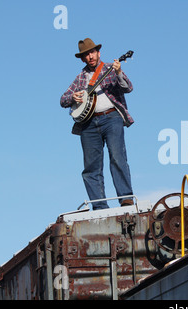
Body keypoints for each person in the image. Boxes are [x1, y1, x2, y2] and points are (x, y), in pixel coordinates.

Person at [60, 38, 135, 210]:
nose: (90, 56)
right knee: (91, 166)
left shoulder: (110, 68)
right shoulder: (80, 78)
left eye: (92, 52)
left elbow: (128, 87)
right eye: (86, 54)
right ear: (83, 58)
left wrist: (119, 72)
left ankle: (126, 198)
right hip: (88, 124)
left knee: (117, 157)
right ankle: (99, 206)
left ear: (98, 53)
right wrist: (73, 97)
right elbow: (62, 99)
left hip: (111, 118)